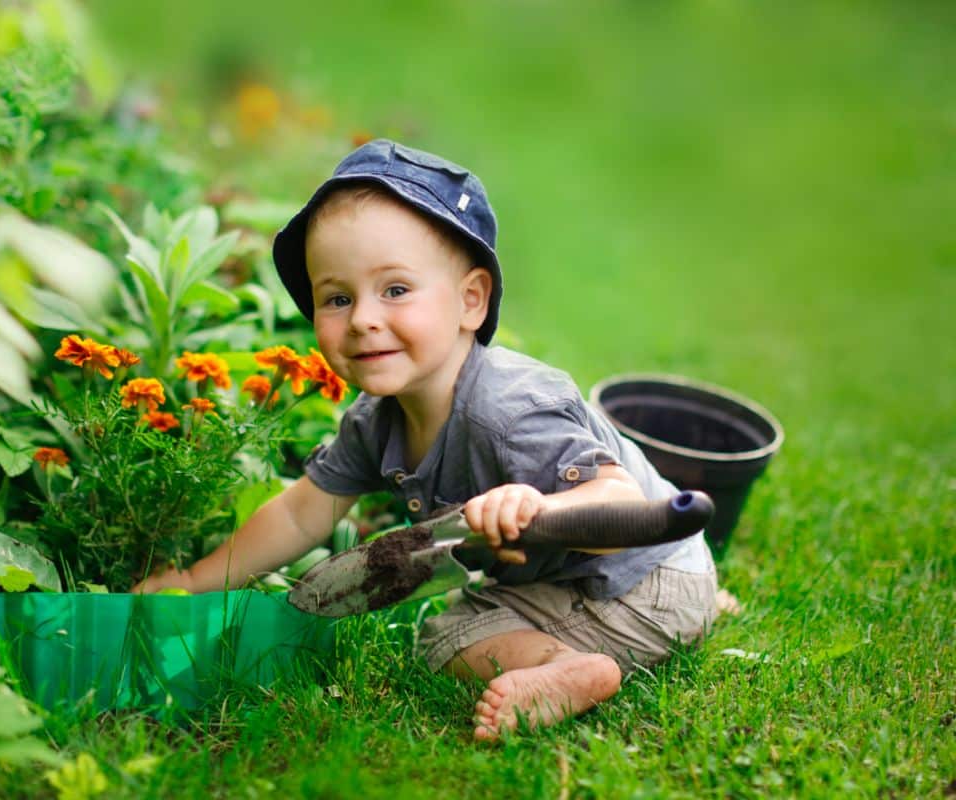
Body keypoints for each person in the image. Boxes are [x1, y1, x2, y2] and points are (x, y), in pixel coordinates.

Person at [132, 139, 718, 740]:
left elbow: (620, 502)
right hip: (586, 580)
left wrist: (540, 509)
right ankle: (682, 611)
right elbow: (300, 514)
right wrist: (196, 582)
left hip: (641, 577)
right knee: (462, 619)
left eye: (395, 290)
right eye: (337, 298)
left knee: (448, 637)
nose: (362, 318)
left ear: (471, 301)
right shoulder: (375, 418)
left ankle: (567, 667)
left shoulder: (508, 410)